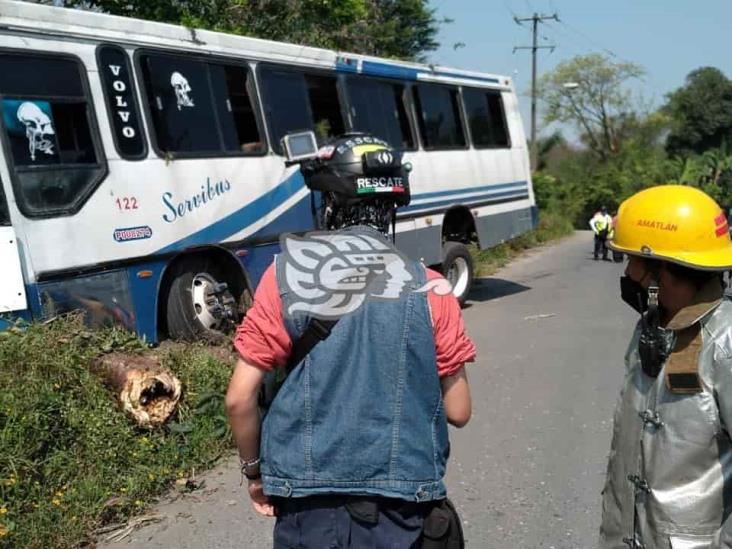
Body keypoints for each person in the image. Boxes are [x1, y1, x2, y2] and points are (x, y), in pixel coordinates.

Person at [226, 135, 476, 548]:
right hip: (402, 508)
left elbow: (239, 398)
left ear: (329, 204)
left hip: (307, 507)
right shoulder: (432, 288)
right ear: (392, 205)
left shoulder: (283, 277)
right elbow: (459, 410)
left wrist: (255, 473)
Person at [600, 185, 732, 549]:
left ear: (665, 270)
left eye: (634, 262)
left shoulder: (725, 343)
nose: (627, 273)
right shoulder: (652, 325)